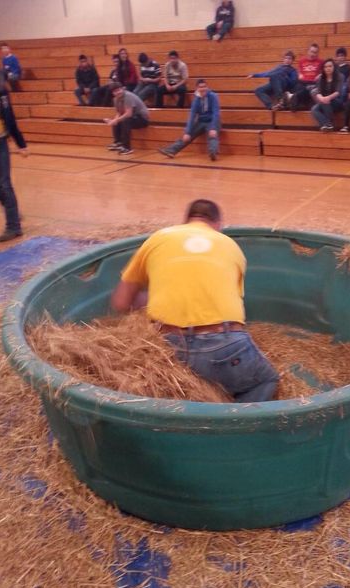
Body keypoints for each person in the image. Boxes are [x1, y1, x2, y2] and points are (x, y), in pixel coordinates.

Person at [110, 199, 279, 403]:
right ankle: (234, 425)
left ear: (186, 221)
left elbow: (121, 302)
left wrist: (155, 296)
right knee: (265, 380)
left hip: (167, 351)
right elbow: (228, 299)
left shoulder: (158, 238)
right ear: (218, 224)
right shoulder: (230, 245)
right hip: (225, 344)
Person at [158, 79, 220, 161]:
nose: (203, 89)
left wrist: (213, 127)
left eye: (204, 86)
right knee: (188, 135)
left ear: (207, 87)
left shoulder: (213, 96)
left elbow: (216, 112)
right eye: (200, 87)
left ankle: (213, 153)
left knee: (212, 135)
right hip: (201, 121)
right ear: (197, 88)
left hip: (212, 120)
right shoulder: (196, 100)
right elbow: (192, 116)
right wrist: (187, 132)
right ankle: (171, 150)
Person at [0, 70, 28, 242]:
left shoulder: (1, 93)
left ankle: (14, 227)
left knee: (3, 184)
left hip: (0, 142)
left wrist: (21, 144)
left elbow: (10, 119)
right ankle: (15, 215)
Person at [104, 82, 149, 155]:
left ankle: (127, 147)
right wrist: (113, 121)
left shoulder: (128, 96)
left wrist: (116, 120)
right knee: (118, 120)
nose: (118, 92)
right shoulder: (115, 99)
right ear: (112, 93)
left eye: (119, 90)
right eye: (115, 91)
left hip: (142, 118)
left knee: (125, 121)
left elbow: (128, 113)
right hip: (133, 117)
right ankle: (118, 142)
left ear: (123, 89)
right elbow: (119, 113)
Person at [286, 43, 324, 111]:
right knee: (299, 87)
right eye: (311, 51)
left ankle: (293, 97)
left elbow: (325, 72)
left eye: (315, 52)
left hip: (313, 83)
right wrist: (300, 74)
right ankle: (295, 99)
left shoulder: (321, 62)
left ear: (317, 53)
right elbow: (299, 71)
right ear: (308, 51)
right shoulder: (302, 61)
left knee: (309, 89)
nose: (313, 54)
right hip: (303, 82)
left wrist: (320, 75)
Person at [311, 58, 344, 131]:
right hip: (325, 101)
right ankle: (327, 124)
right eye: (325, 67)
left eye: (330, 66)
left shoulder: (339, 76)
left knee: (324, 102)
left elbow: (338, 92)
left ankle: (328, 124)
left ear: (334, 67)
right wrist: (322, 98)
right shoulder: (321, 78)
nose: (328, 68)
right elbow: (318, 92)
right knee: (314, 109)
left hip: (336, 101)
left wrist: (327, 98)